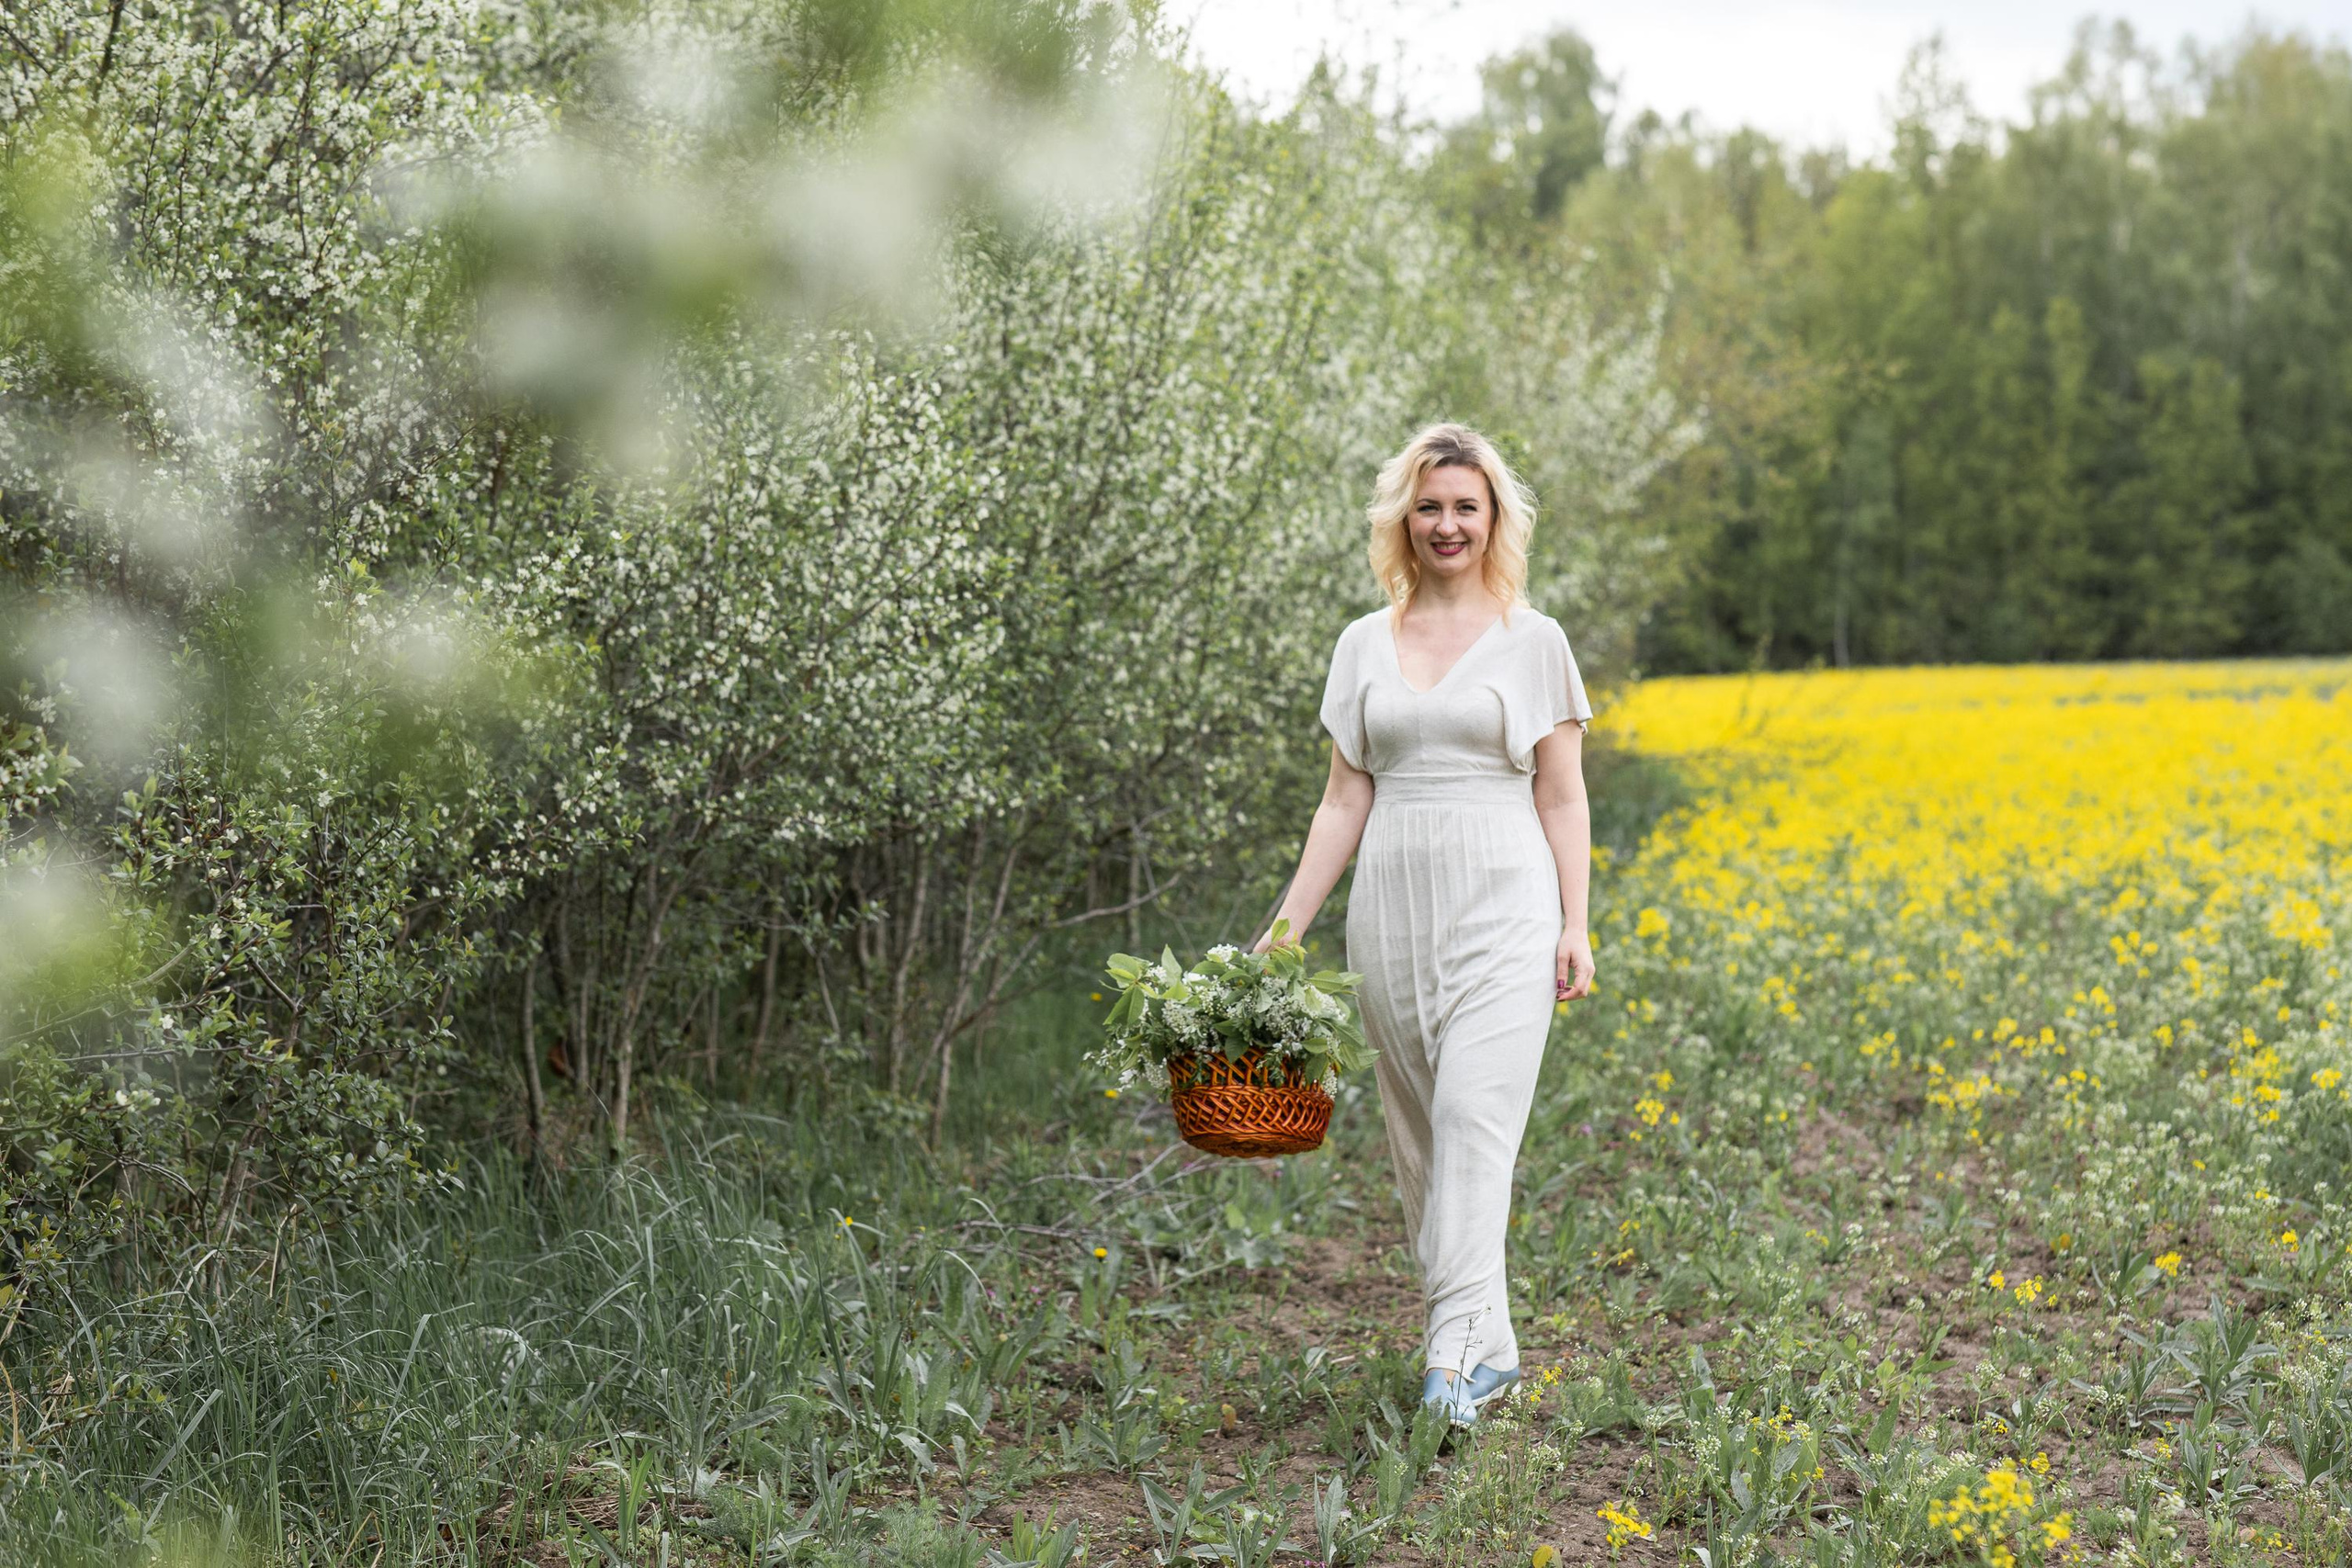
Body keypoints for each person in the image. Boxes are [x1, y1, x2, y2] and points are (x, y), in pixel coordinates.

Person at [1250, 421, 1596, 1428]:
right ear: (1406, 516)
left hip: (1507, 904)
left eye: (1466, 507)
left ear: (1495, 522)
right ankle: (1488, 1352)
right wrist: (1287, 926)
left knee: (1471, 1122)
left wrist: (1576, 923)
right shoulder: (1364, 642)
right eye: (1430, 506)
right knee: (1422, 1143)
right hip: (1391, 915)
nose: (1447, 524)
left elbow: (1565, 797)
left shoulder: (1535, 641)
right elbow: (1341, 802)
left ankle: (1445, 1362)